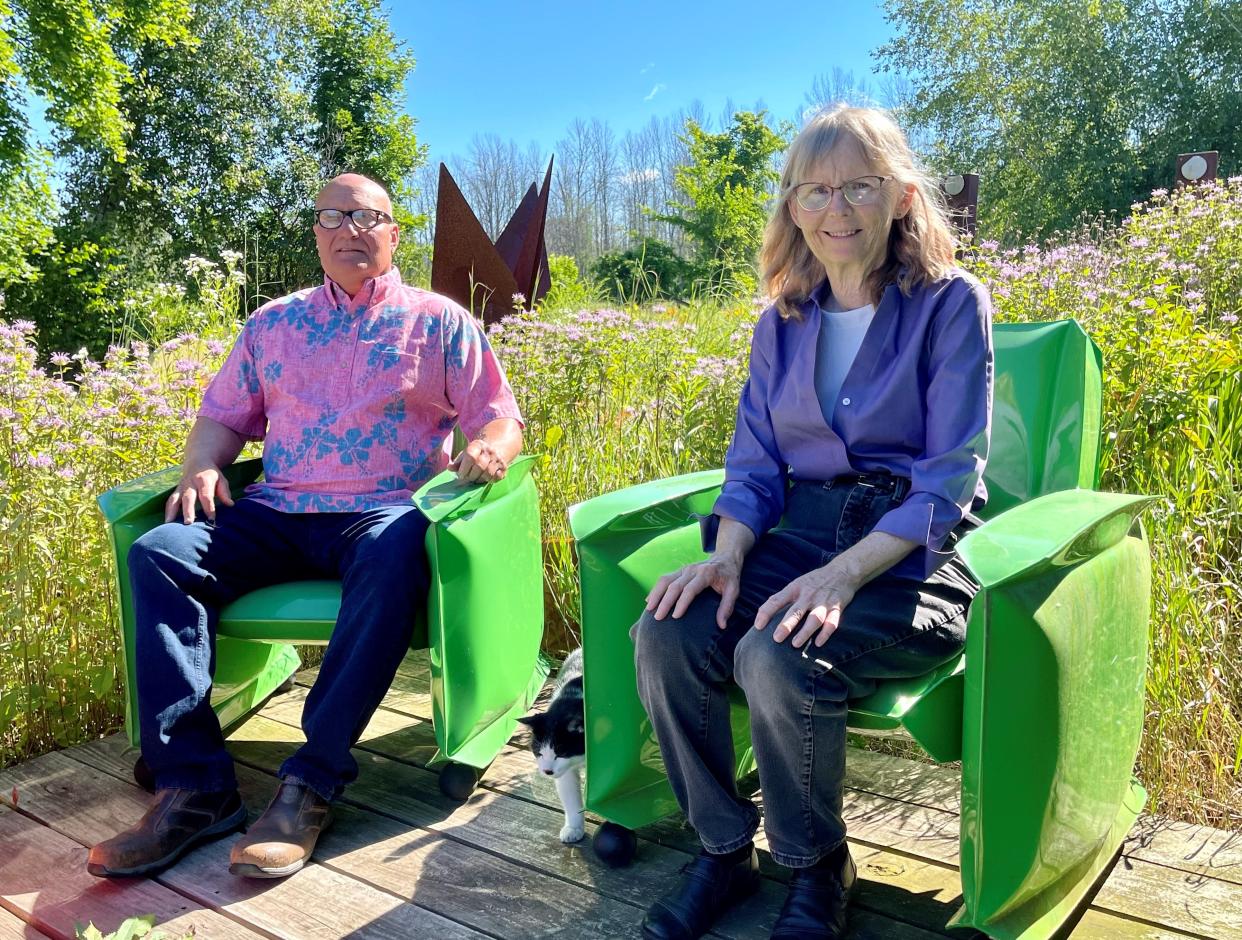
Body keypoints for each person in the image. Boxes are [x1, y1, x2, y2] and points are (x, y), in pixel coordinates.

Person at [88, 173, 524, 880]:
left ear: (393, 233)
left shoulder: (439, 321)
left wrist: (491, 449)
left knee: (397, 543)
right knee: (161, 552)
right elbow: (223, 418)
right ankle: (196, 785)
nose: (349, 229)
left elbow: (499, 415)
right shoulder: (273, 323)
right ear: (316, 235)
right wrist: (202, 466)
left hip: (382, 511)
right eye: (333, 217)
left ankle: (312, 779)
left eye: (366, 216)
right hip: (280, 507)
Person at [631, 106, 993, 940]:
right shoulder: (781, 323)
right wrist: (726, 560)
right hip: (797, 532)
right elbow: (754, 469)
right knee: (668, 631)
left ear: (901, 196)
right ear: (793, 207)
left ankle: (815, 862)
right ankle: (723, 848)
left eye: (858, 188)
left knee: (776, 654)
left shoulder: (950, 305)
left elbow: (948, 479)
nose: (837, 211)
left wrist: (844, 573)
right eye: (815, 191)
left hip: (910, 554)